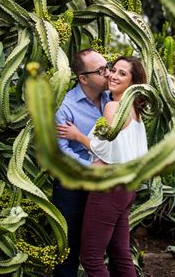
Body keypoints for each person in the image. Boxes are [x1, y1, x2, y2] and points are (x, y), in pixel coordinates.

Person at [57, 56, 148, 277]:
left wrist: (79, 136)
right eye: (111, 70)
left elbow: (108, 152)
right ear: (83, 78)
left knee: (91, 259)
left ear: (133, 82)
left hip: (108, 187)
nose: (112, 75)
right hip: (126, 188)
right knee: (120, 253)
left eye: (121, 73)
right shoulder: (134, 109)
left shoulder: (112, 106)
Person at [53, 48, 111, 276]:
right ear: (84, 78)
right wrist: (90, 168)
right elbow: (61, 152)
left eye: (108, 67)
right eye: (101, 70)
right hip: (73, 186)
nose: (108, 74)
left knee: (100, 248)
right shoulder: (66, 107)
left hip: (104, 184)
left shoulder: (111, 99)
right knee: (69, 249)